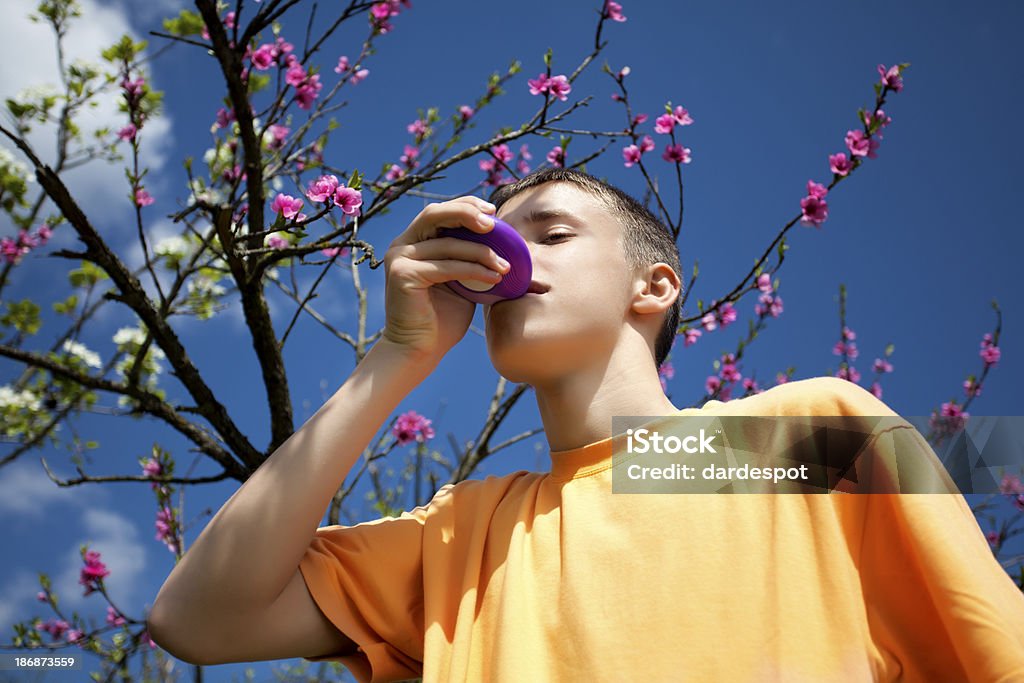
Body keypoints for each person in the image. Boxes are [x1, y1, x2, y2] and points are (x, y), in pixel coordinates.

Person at [147, 168, 1024, 682]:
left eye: (550, 232)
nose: (500, 258)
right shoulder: (459, 534)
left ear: (655, 287)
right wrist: (397, 358)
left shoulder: (809, 433)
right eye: (488, 242)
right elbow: (198, 619)